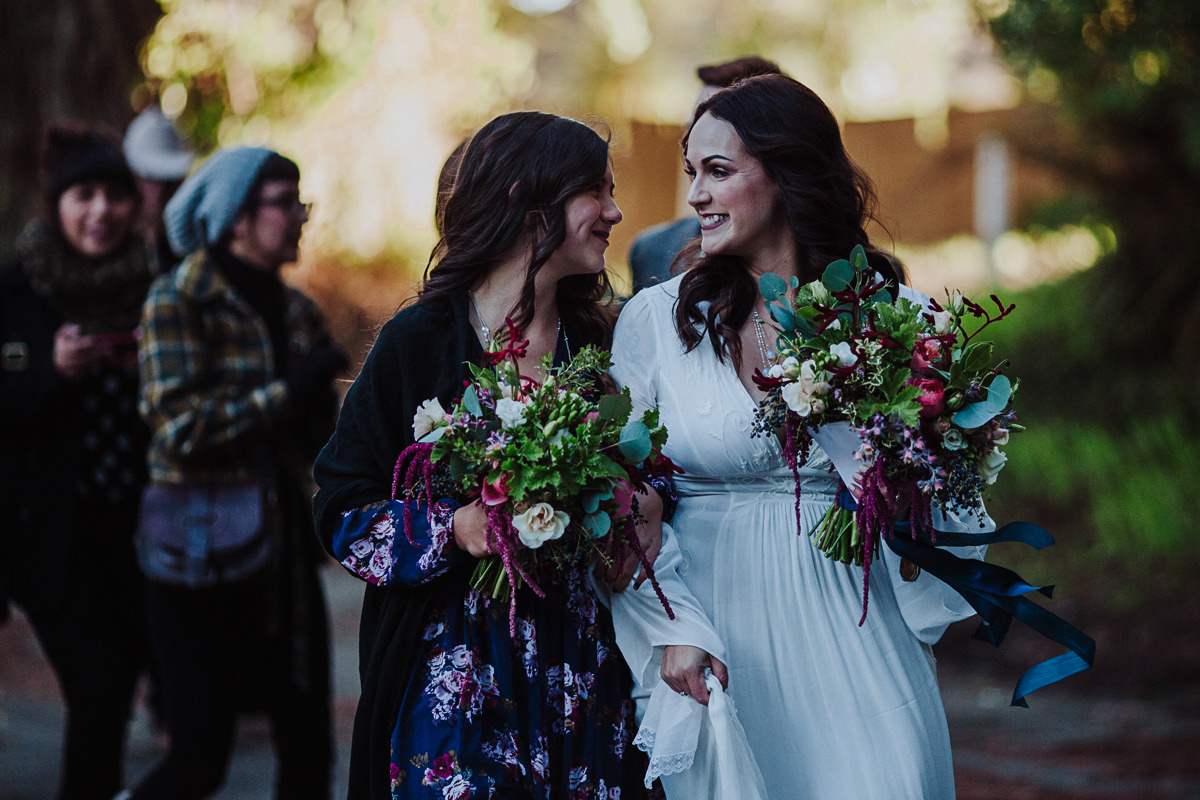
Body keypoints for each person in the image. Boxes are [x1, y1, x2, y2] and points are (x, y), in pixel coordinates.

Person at [608, 74, 989, 798]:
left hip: (858, 621)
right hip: (717, 637)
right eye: (692, 173)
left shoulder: (898, 320)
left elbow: (950, 504)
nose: (695, 196)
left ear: (786, 175)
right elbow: (623, 503)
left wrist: (908, 476)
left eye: (718, 172)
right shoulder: (655, 322)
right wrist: (670, 627)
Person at [312, 111, 656, 799]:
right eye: (597, 191)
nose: (615, 211)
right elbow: (341, 509)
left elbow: (649, 483)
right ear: (530, 206)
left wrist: (635, 503)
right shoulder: (417, 340)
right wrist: (457, 528)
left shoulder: (604, 345)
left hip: (580, 668)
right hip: (453, 670)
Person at [127, 146, 342, 800]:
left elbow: (314, 444)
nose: (301, 217)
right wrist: (287, 392)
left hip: (284, 562)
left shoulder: (298, 309)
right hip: (201, 558)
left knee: (309, 749)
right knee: (198, 756)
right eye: (286, 203)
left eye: (300, 201)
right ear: (236, 219)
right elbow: (179, 429)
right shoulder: (178, 299)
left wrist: (325, 407)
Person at [0, 120, 152, 800]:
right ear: (56, 202)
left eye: (115, 195)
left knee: (114, 690)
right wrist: (51, 374)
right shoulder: (16, 290)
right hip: (47, 537)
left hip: (137, 531)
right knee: (98, 684)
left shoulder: (156, 287)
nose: (101, 212)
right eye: (83, 194)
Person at [625, 55, 782, 294]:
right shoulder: (651, 250)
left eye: (717, 125)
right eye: (691, 126)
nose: (694, 143)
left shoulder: (846, 272)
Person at [122, 106, 196, 272]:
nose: (160, 192)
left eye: (170, 181)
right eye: (150, 179)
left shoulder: (192, 245)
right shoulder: (115, 244)